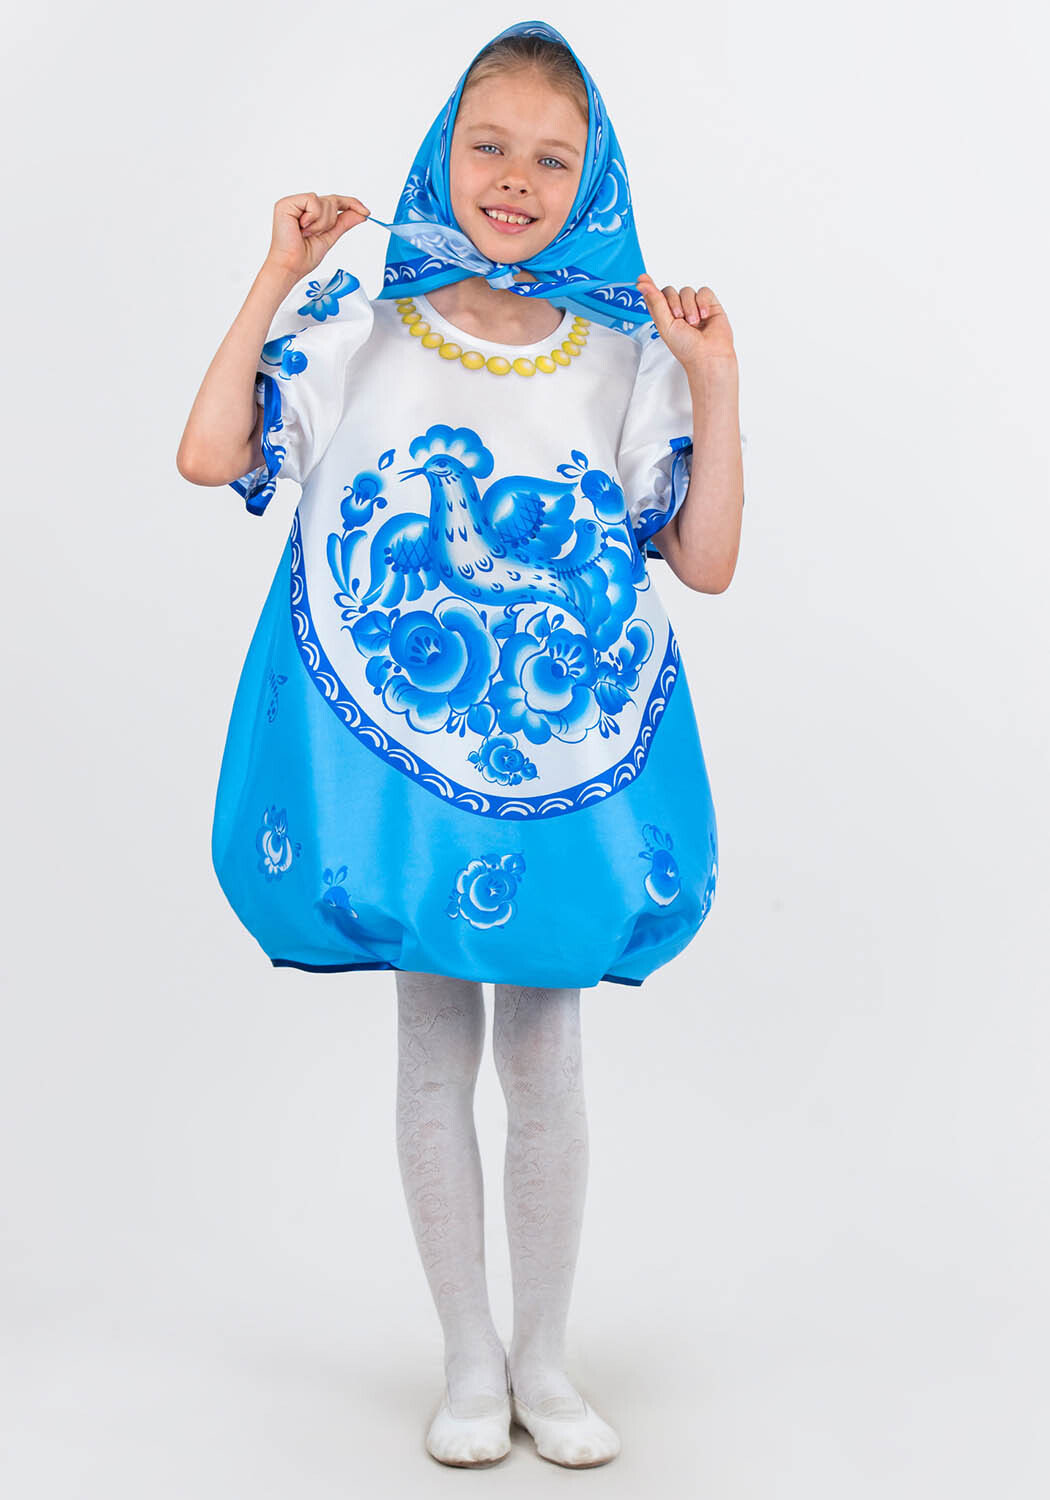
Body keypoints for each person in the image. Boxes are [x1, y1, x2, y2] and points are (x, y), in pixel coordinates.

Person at [177, 18, 744, 1471]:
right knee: (434, 1042)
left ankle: (545, 1361)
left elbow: (704, 558)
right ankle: (470, 1361)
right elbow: (211, 454)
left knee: (546, 1049)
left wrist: (717, 383)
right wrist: (278, 274)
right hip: (408, 759)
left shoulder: (621, 349)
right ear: (443, 148)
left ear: (591, 180)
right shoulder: (366, 319)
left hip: (557, 754)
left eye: (552, 160)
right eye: (488, 145)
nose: (513, 181)